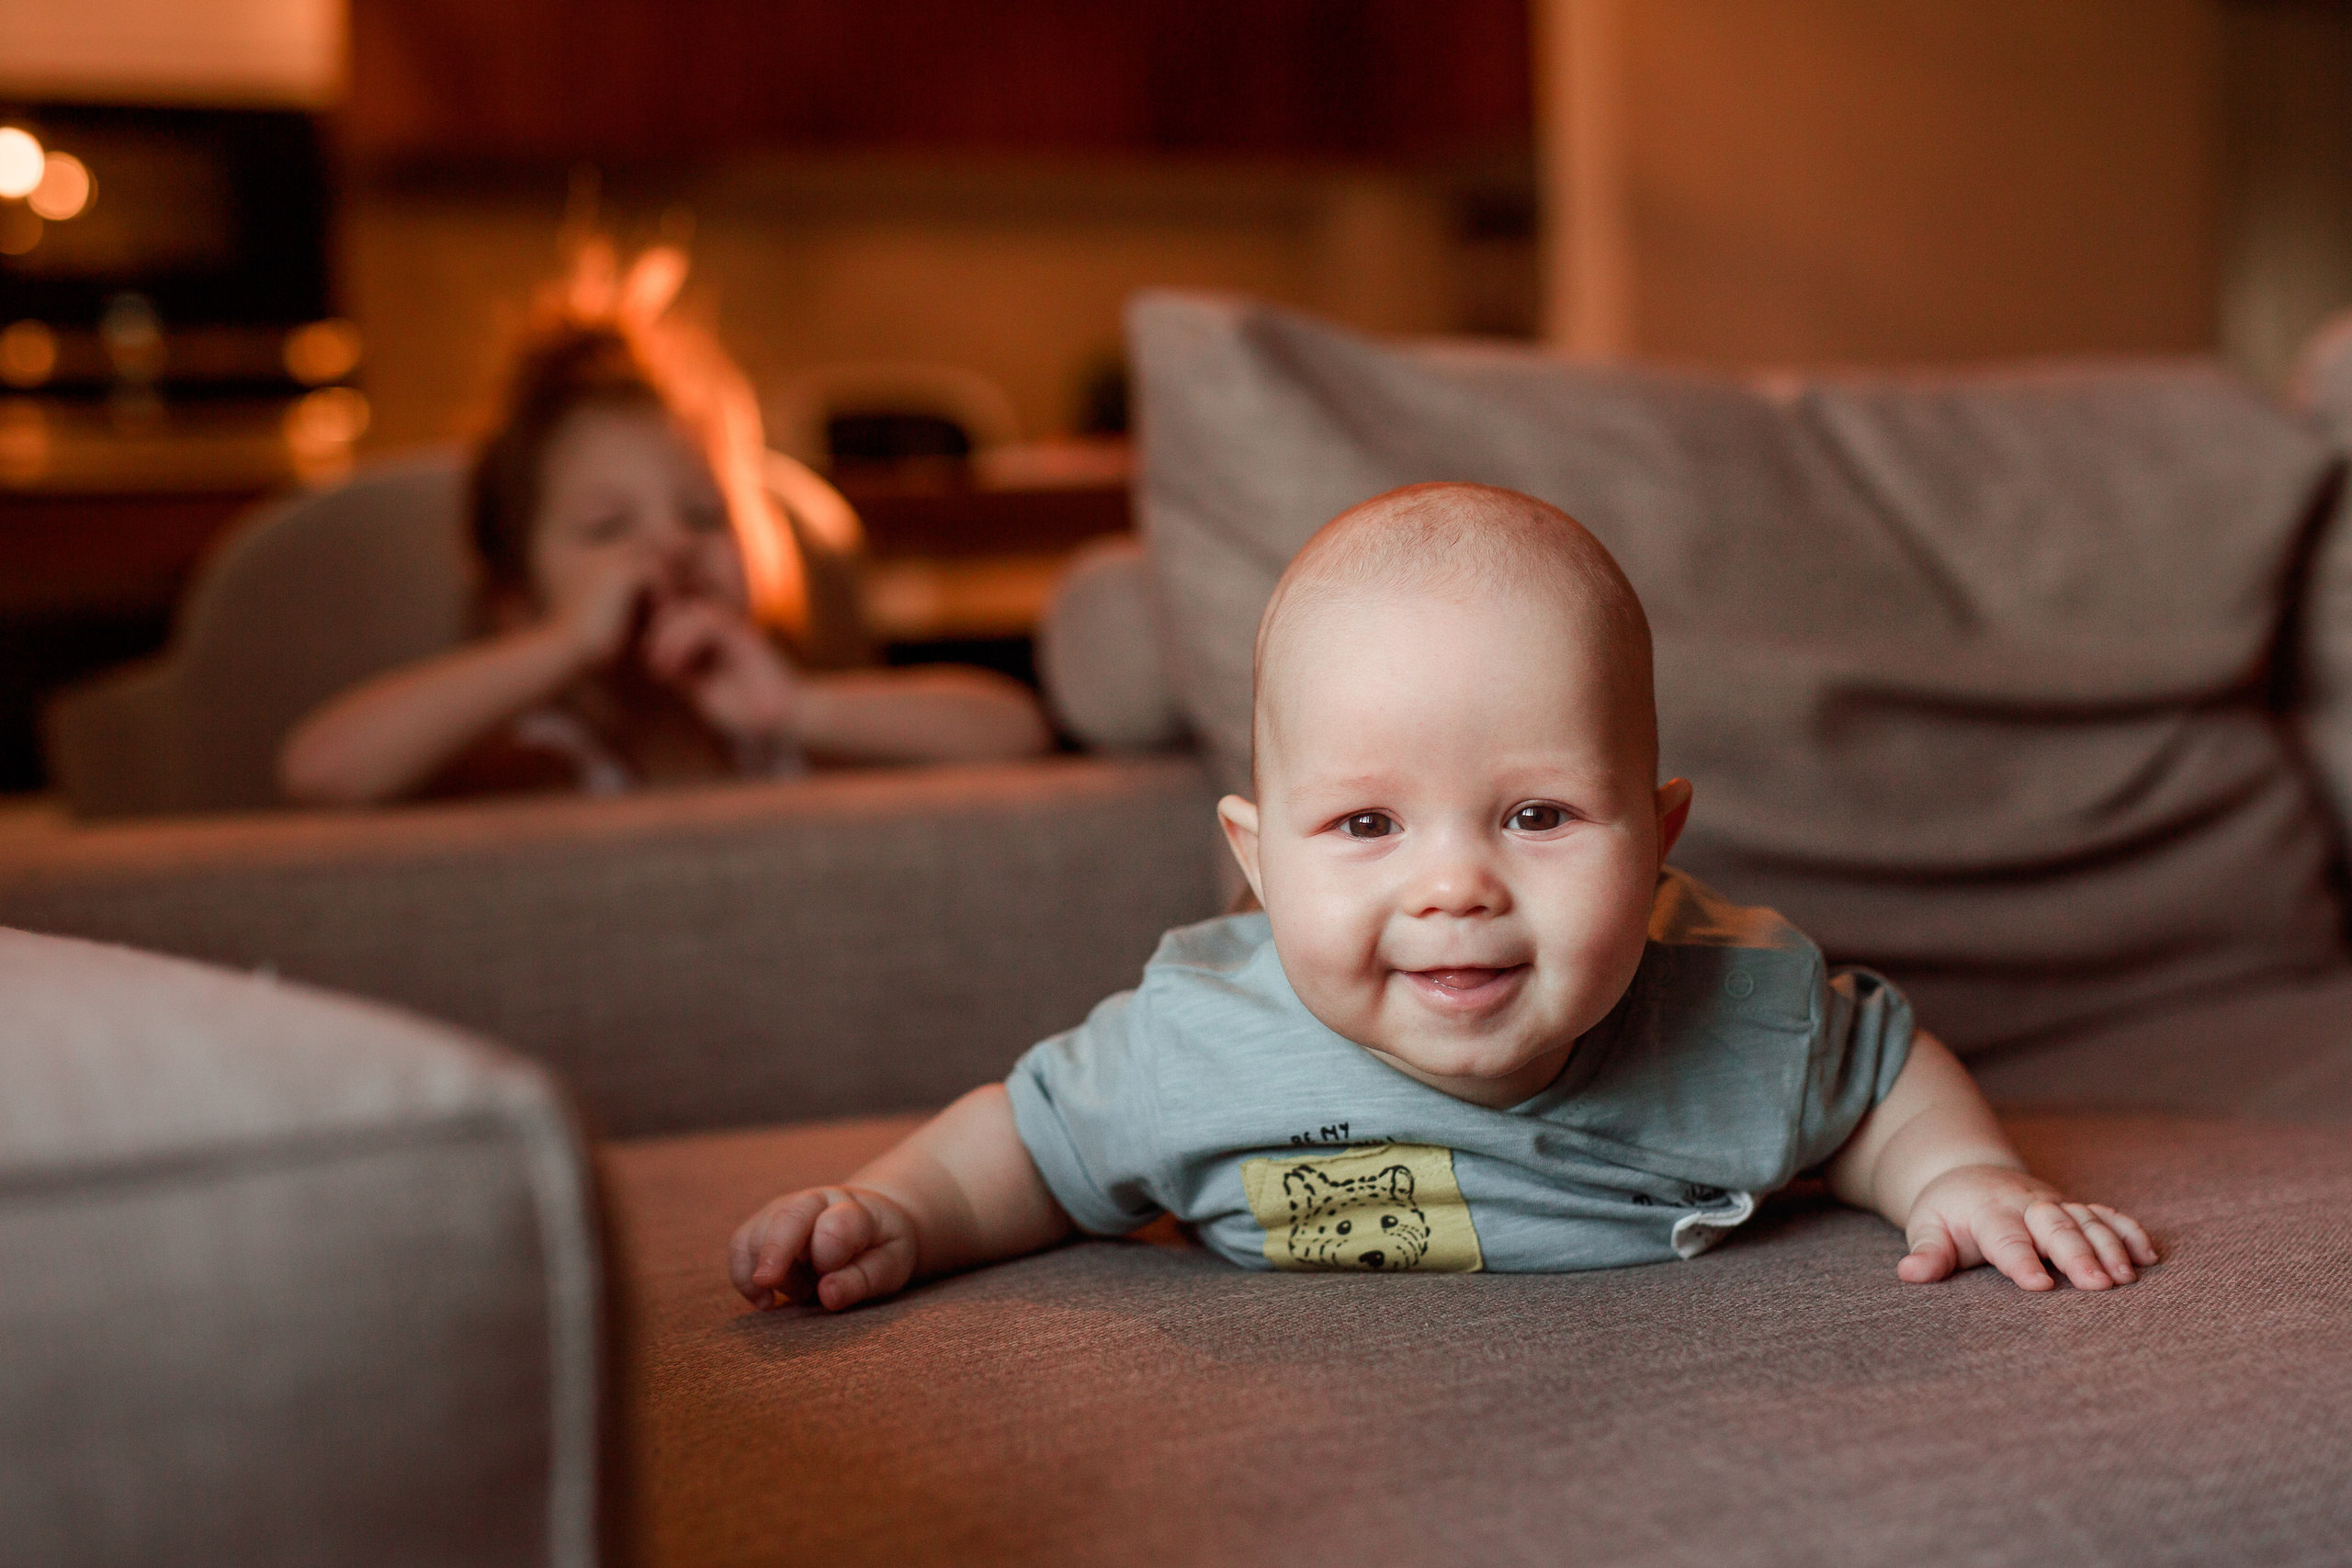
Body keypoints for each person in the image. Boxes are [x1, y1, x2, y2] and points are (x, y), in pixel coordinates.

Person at [729, 482, 2157, 1310]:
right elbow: (1030, 1147)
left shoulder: (1741, 1012)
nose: (1457, 883)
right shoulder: (1194, 1044)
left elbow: (1887, 1079)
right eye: (1364, 821)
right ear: (1256, 855)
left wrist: (1961, 1176)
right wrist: (900, 1208)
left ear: (1656, 840)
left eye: (1538, 814)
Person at [278, 246, 1049, 807]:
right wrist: (560, 647)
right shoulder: (534, 763)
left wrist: (796, 709)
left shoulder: (785, 732)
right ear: (515, 594)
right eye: (608, 527)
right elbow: (320, 771)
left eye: (705, 516)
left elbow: (1016, 735)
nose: (670, 545)